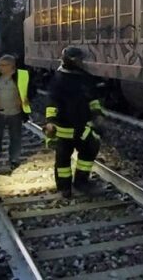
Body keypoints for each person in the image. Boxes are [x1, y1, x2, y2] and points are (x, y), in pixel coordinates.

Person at [44, 46, 103, 198]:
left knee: (90, 148)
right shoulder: (59, 79)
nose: (81, 62)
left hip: (82, 127)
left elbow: (93, 99)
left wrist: (97, 114)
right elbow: (52, 102)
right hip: (63, 128)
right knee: (63, 159)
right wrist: (50, 121)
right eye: (78, 59)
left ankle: (81, 182)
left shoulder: (85, 77)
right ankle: (65, 187)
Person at [0, 55, 31, 169]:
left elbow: (31, 90)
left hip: (15, 113)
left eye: (3, 65)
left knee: (15, 137)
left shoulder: (22, 75)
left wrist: (24, 101)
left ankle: (14, 160)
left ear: (11, 66)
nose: (0, 67)